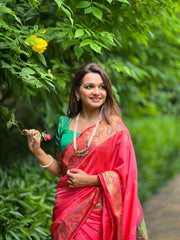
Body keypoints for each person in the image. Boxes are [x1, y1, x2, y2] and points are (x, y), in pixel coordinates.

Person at [25, 63, 148, 240]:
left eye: (101, 87)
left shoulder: (115, 128)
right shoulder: (64, 124)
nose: (97, 92)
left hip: (102, 213)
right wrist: (37, 151)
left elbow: (127, 176)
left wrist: (91, 180)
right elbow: (62, 170)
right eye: (89, 86)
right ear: (77, 92)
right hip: (68, 210)